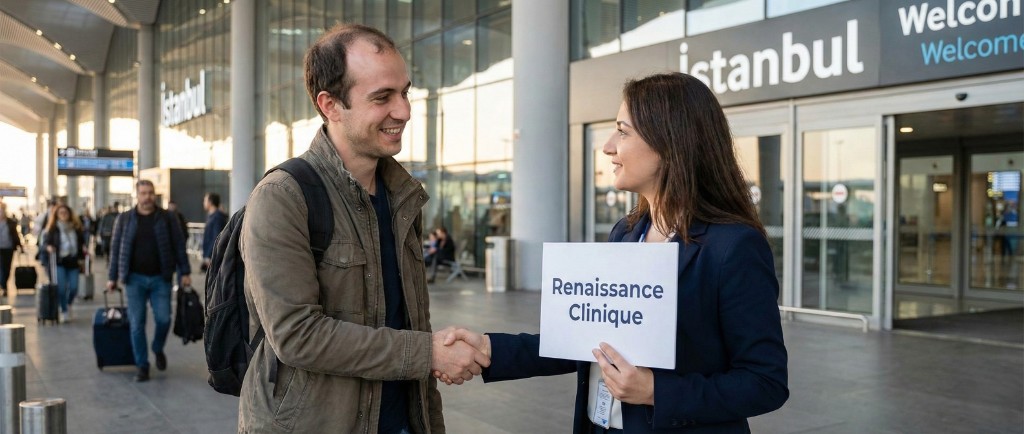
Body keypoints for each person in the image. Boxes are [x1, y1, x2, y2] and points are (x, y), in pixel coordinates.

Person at [439, 73, 789, 433]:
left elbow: (765, 381)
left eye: (622, 132)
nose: (608, 147)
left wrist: (657, 391)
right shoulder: (626, 232)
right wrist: (489, 349)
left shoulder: (733, 246)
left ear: (670, 141)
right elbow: (587, 339)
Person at [236, 24, 487, 433]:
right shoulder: (282, 196)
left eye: (404, 92)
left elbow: (411, 321)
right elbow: (298, 335)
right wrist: (429, 354)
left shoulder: (402, 195)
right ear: (330, 105)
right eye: (382, 98)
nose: (403, 111)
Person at [106, 180, 192, 382]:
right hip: (133, 279)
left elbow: (179, 246)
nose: (147, 197)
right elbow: (116, 249)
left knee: (164, 319)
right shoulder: (125, 219)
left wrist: (185, 271)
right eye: (143, 193)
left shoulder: (167, 218)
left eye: (151, 193)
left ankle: (157, 347)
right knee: (137, 324)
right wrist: (112, 277)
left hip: (161, 277)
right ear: (137, 195)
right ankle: (142, 365)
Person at [42, 204, 86, 321]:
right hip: (59, 261)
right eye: (60, 213)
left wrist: (83, 256)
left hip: (73, 261)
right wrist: (49, 247)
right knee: (61, 288)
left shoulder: (75, 228)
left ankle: (68, 303)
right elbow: (45, 243)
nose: (63, 215)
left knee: (74, 287)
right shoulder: (53, 228)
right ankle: (64, 310)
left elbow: (81, 244)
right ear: (56, 215)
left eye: (65, 212)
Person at [0, 202, 24, 297]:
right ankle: (4, 286)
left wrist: (20, 246)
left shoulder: (10, 222)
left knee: (7, 268)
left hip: (8, 248)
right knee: (1, 267)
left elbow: (15, 235)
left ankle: (4, 283)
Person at [200, 192, 226, 272]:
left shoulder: (217, 217)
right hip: (210, 256)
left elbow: (216, 238)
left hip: (214, 257)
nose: (203, 203)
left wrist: (209, 255)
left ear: (210, 202)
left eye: (205, 200)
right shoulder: (211, 216)